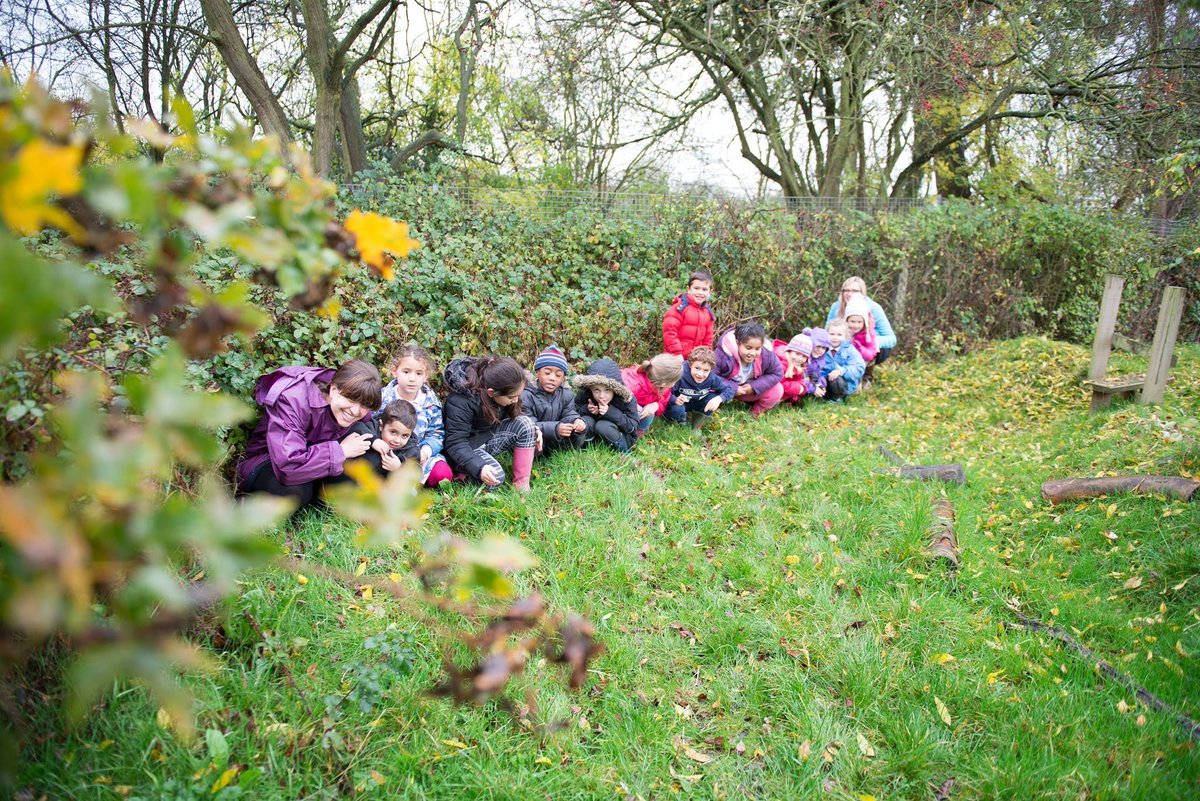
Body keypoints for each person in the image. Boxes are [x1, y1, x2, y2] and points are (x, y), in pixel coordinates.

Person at [236, 359, 383, 512]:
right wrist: (341, 451)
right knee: (296, 492)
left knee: (372, 456)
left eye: (364, 405)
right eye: (351, 400)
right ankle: (246, 505)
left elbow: (365, 420)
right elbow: (288, 466)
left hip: (314, 458)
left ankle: (321, 506)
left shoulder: (352, 396)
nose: (355, 411)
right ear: (333, 389)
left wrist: (375, 439)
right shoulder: (293, 399)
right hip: (269, 462)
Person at [442, 356, 539, 492]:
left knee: (526, 424)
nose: (516, 401)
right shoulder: (460, 401)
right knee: (496, 478)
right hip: (463, 452)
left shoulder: (501, 389)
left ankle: (521, 484)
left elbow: (516, 415)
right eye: (511, 397)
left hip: (486, 438)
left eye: (518, 395)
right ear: (491, 392)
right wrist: (480, 467)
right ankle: (462, 475)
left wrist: (533, 430)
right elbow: (455, 443)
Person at [378, 343, 453, 488]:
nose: (412, 379)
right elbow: (373, 424)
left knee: (442, 475)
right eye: (406, 372)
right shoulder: (383, 398)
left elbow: (436, 432)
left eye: (418, 373)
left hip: (417, 454)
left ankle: (413, 481)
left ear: (426, 376)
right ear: (395, 371)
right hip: (387, 451)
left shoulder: (431, 402)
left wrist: (425, 452)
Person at [522, 344, 586, 453]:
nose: (552, 378)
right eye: (547, 373)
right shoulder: (526, 395)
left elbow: (569, 413)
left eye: (558, 375)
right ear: (537, 372)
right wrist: (555, 428)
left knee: (579, 432)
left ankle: (564, 452)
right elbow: (527, 425)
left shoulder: (566, 394)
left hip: (554, 440)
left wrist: (576, 421)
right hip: (535, 438)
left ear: (563, 378)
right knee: (530, 435)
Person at [714, 322, 784, 416]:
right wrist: (734, 388)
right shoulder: (723, 353)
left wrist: (754, 387)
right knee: (705, 386)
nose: (753, 353)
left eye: (757, 348)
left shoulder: (767, 354)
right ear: (738, 343)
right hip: (725, 389)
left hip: (748, 390)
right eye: (748, 348)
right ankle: (714, 409)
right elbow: (712, 376)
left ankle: (753, 414)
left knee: (777, 390)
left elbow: (777, 373)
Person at [573, 358, 640, 452]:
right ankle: (585, 447)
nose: (601, 396)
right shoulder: (585, 394)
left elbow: (632, 427)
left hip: (621, 435)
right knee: (587, 421)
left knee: (603, 426)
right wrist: (587, 410)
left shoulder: (625, 399)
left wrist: (610, 412)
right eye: (596, 390)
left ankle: (622, 450)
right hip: (597, 436)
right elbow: (573, 413)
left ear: (615, 389)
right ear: (590, 388)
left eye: (607, 390)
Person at [825, 276, 896, 364]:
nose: (850, 294)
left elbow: (892, 339)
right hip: (842, 343)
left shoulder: (874, 308)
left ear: (862, 293)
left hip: (866, 344)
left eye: (854, 291)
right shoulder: (836, 307)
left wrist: (873, 340)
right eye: (846, 290)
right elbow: (826, 331)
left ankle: (865, 371)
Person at [665, 346, 731, 432]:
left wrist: (719, 399)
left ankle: (697, 424)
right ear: (690, 364)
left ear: (711, 369)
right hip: (679, 403)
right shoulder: (680, 373)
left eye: (706, 370)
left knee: (713, 397)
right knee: (676, 409)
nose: (700, 374)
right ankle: (679, 424)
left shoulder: (712, 378)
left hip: (697, 402)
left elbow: (729, 389)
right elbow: (665, 392)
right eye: (697, 368)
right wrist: (674, 399)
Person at [349, 399, 419, 477]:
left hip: (383, 486)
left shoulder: (411, 450)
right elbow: (356, 427)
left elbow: (416, 473)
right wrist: (374, 440)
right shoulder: (372, 428)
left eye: (405, 435)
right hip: (356, 478)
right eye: (393, 432)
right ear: (381, 426)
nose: (397, 440)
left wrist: (399, 467)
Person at [621, 353, 684, 436]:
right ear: (664, 383)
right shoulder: (633, 385)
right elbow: (617, 398)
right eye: (674, 381)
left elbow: (664, 401)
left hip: (638, 412)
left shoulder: (664, 387)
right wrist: (633, 405)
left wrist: (656, 405)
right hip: (621, 411)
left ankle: (637, 434)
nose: (674, 384)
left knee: (650, 412)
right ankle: (624, 431)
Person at [662, 270, 716, 359]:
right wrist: (677, 354)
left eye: (704, 289)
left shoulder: (707, 312)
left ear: (710, 291)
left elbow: (708, 338)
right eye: (696, 288)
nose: (700, 292)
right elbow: (669, 332)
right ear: (689, 289)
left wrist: (706, 356)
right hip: (674, 358)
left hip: (695, 360)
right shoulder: (679, 308)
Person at [821, 319, 866, 401]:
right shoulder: (821, 349)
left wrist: (841, 371)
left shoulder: (849, 350)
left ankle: (838, 398)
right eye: (831, 334)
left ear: (845, 336)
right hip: (824, 381)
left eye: (839, 335)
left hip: (842, 383)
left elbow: (859, 368)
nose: (835, 337)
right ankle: (822, 396)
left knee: (835, 379)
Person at [772, 334, 816, 404]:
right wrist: (799, 388)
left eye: (804, 356)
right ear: (790, 351)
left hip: (785, 392)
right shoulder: (782, 364)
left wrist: (802, 387)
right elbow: (780, 384)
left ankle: (791, 400)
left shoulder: (797, 365)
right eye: (797, 354)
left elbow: (797, 380)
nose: (799, 358)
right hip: (773, 392)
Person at [843, 296, 880, 367]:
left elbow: (871, 354)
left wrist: (860, 348)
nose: (856, 325)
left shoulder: (868, 334)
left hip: (859, 362)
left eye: (859, 322)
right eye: (852, 321)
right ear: (846, 320)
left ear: (864, 322)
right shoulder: (842, 331)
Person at [802, 327, 831, 399]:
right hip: (799, 383)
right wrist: (813, 388)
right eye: (817, 346)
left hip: (808, 384)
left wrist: (819, 384)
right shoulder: (802, 357)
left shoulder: (818, 360)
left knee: (819, 378)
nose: (820, 350)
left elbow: (817, 375)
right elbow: (801, 377)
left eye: (823, 348)